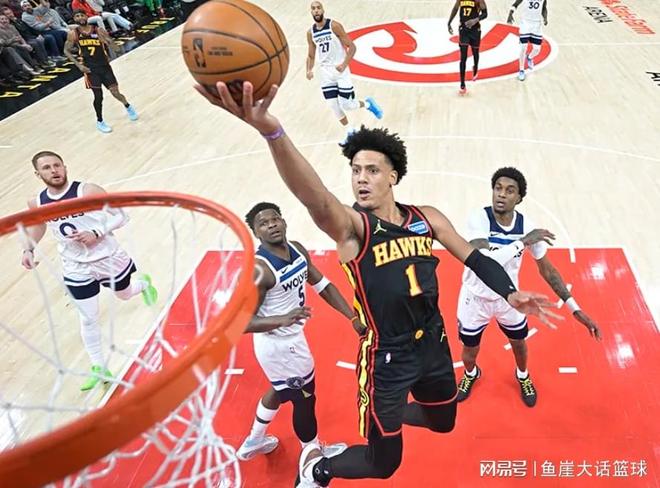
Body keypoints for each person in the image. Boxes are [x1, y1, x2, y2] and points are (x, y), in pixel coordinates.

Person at [194, 81, 560, 486]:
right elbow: (315, 197)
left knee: (444, 420)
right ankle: (317, 469)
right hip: (387, 355)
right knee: (383, 465)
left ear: (393, 176)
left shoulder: (427, 218)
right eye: (355, 171)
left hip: (433, 342)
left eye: (371, 170)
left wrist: (510, 292)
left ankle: (388, 413)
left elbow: (474, 258)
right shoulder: (353, 228)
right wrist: (271, 131)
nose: (360, 179)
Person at [455, 167, 602, 406]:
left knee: (519, 344)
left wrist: (575, 308)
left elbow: (548, 270)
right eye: (498, 188)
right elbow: (485, 262)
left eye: (509, 190)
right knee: (469, 352)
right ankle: (471, 373)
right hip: (475, 298)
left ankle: (522, 376)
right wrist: (522, 242)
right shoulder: (478, 219)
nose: (501, 194)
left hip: (510, 298)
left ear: (519, 198)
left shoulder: (528, 226)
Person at [21, 151, 158, 391]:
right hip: (75, 266)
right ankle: (99, 366)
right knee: (87, 317)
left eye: (57, 165)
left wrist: (96, 232)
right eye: (47, 168)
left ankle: (143, 285)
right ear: (38, 173)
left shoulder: (87, 191)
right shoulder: (37, 202)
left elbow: (122, 216)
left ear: (65, 167)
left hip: (107, 258)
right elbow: (39, 225)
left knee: (124, 294)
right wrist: (28, 249)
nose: (54, 171)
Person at [236, 202, 359, 463]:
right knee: (305, 399)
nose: (271, 225)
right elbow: (242, 322)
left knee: (281, 388)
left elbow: (323, 286)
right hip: (279, 346)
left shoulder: (298, 250)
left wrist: (352, 316)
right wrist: (281, 319)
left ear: (283, 221)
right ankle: (312, 454)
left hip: (290, 340)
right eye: (263, 224)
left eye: (274, 219)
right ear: (256, 233)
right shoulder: (260, 270)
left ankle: (254, 440)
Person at [306, 1, 382, 142]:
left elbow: (352, 47)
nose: (316, 10)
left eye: (318, 8)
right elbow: (310, 55)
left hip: (340, 70)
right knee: (333, 106)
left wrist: (344, 64)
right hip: (325, 73)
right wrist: (308, 70)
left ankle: (368, 104)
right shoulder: (310, 33)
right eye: (313, 8)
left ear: (323, 10)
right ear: (311, 12)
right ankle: (350, 131)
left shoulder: (334, 26)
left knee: (347, 105)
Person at [64, 10, 137, 133]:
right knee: (98, 96)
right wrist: (79, 65)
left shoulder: (98, 30)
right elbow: (66, 51)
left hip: (104, 66)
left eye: (82, 15)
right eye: (77, 16)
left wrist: (108, 41)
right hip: (90, 69)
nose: (80, 17)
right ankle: (100, 121)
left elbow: (116, 49)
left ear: (86, 16)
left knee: (115, 92)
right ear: (74, 19)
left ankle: (127, 106)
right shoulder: (73, 34)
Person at [447, 0, 487, 95]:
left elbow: (485, 14)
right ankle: (462, 84)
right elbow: (455, 8)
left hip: (475, 30)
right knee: (463, 57)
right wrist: (449, 22)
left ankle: (475, 67)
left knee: (475, 53)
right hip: (463, 30)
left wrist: (475, 20)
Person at [507, 0, 548, 81]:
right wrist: (510, 14)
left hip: (536, 25)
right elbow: (515, 4)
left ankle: (529, 57)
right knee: (523, 48)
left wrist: (545, 17)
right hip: (525, 23)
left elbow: (544, 8)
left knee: (537, 49)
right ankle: (521, 70)